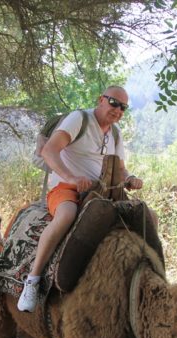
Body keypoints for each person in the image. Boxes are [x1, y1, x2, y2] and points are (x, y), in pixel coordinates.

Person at [17, 86, 143, 312]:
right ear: (101, 99)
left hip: (103, 191)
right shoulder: (80, 119)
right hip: (67, 187)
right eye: (114, 103)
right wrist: (71, 177)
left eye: (123, 107)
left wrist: (130, 178)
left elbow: (121, 169)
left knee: (144, 215)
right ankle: (33, 280)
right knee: (67, 215)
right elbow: (49, 151)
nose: (118, 110)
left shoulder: (115, 133)